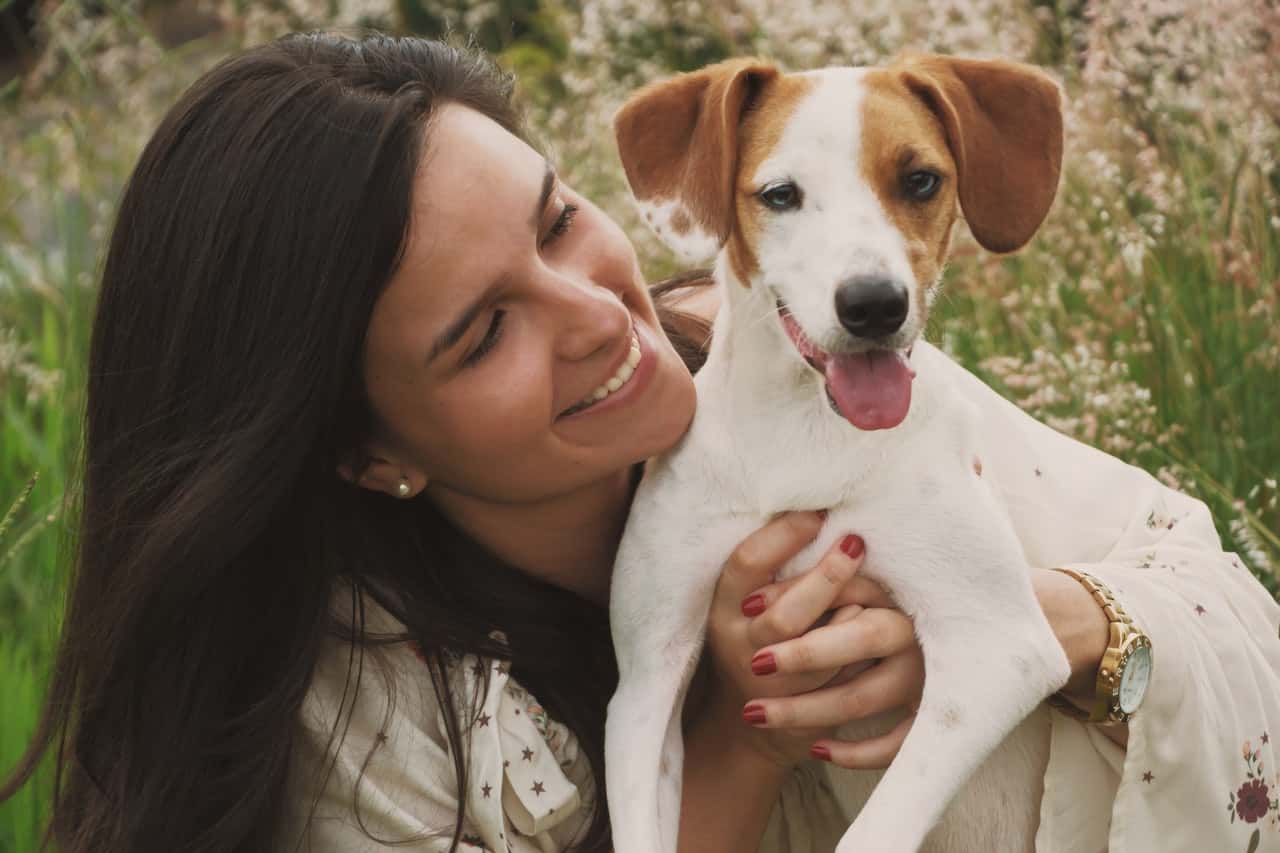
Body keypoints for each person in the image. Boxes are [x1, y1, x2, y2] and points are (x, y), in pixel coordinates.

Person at [2, 30, 1277, 853]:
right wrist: (741, 731)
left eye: (558, 222)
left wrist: (1054, 625)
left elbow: (1214, 593)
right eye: (482, 329)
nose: (598, 314)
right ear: (362, 451)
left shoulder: (813, 363)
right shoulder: (368, 728)